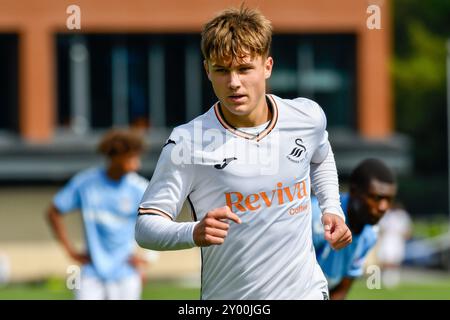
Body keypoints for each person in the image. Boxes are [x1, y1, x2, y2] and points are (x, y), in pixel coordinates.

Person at [135, 6, 352, 300]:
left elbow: (320, 155)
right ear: (207, 71)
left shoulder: (307, 116)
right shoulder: (188, 142)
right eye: (222, 70)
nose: (234, 82)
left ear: (268, 66)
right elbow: (146, 227)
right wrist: (192, 232)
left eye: (244, 68)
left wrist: (332, 208)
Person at [47, 129, 150, 300]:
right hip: (91, 272)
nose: (137, 164)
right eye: (132, 157)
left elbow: (157, 221)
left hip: (126, 273)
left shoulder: (139, 187)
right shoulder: (86, 183)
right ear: (115, 156)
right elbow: (53, 212)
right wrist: (70, 251)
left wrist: (147, 258)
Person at [311, 158, 397, 299]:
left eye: (388, 199)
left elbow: (342, 287)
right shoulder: (316, 217)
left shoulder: (370, 235)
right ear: (354, 191)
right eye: (376, 197)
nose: (383, 207)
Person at [377, 202, 412, 288]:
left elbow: (407, 230)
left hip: (398, 240)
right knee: (386, 259)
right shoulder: (386, 215)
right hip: (387, 239)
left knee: (395, 260)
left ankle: (393, 278)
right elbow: (381, 228)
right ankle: (386, 278)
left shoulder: (403, 216)